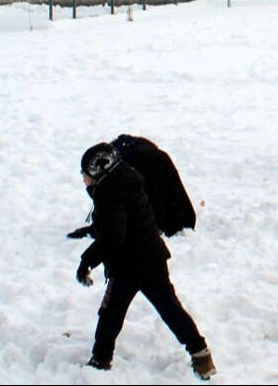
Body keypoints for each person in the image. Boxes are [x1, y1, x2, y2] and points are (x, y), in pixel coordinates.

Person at [75, 143, 216, 379]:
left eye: (85, 173)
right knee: (170, 308)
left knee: (110, 313)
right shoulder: (126, 181)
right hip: (153, 256)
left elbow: (113, 236)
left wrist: (86, 261)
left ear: (100, 171)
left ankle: (100, 360)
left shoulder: (111, 195)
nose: (83, 178)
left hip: (128, 265)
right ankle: (201, 354)